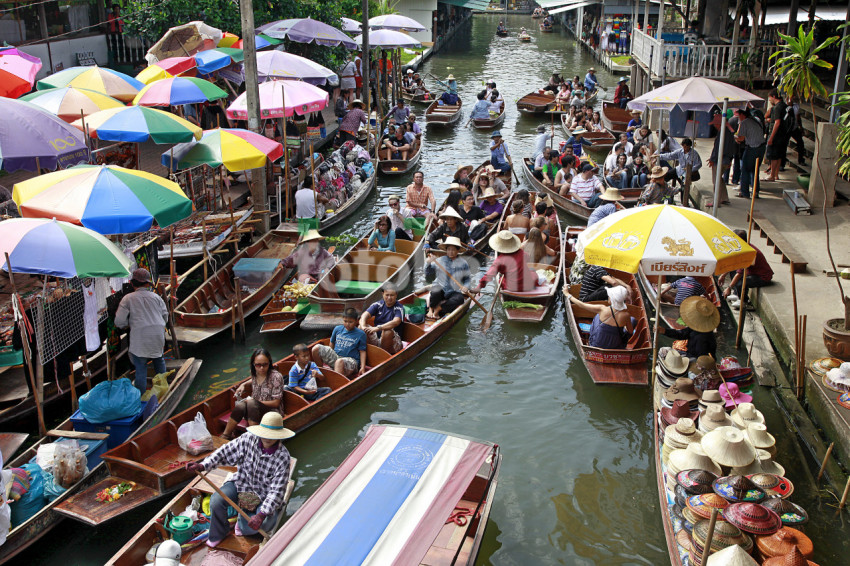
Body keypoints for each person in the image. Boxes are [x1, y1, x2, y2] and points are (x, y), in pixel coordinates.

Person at [185, 412, 293, 547]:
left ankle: (242, 525)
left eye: (272, 436)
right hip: (242, 483)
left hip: (263, 495)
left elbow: (276, 492)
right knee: (216, 501)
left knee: (265, 523)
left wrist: (261, 515)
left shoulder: (283, 457)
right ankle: (219, 532)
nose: (267, 438)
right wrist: (202, 465)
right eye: (265, 434)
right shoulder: (247, 439)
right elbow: (224, 452)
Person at [115, 268, 168, 394]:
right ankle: (164, 389)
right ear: (147, 284)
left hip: (139, 335)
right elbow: (165, 317)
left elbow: (119, 322)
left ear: (133, 283)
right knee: (159, 359)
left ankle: (141, 398)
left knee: (140, 367)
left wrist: (129, 324)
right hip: (157, 333)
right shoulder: (156, 297)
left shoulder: (128, 298)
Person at [219, 347, 284, 438]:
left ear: (269, 363)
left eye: (265, 365)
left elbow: (276, 403)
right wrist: (243, 384)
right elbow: (253, 380)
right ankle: (226, 435)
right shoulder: (255, 373)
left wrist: (253, 401)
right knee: (240, 406)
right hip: (252, 409)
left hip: (272, 412)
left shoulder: (276, 377)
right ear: (254, 364)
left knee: (252, 403)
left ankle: (254, 437)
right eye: (258, 365)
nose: (261, 368)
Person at [566, 286, 634, 349]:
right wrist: (623, 326)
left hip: (597, 344)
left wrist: (567, 294)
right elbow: (630, 331)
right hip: (615, 346)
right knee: (633, 320)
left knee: (598, 316)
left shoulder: (602, 309)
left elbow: (581, 305)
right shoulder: (626, 315)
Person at [720, 229, 773, 307]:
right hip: (751, 272)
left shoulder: (749, 253)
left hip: (762, 277)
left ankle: (743, 301)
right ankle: (737, 294)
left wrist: (729, 287)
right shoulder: (741, 248)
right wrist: (723, 275)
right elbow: (734, 264)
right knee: (733, 272)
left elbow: (740, 272)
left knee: (740, 282)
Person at [473, 231, 539, 293]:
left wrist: (479, 287)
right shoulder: (522, 253)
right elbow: (527, 258)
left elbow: (489, 275)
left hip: (511, 287)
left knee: (501, 280)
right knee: (533, 272)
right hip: (527, 284)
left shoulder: (499, 260)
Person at [311, 307, 367, 377]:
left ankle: (336, 382)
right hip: (337, 357)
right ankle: (320, 372)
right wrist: (330, 354)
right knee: (315, 348)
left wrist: (362, 367)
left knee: (339, 362)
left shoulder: (361, 334)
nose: (347, 324)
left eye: (350, 322)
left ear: (356, 321)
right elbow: (332, 343)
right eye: (345, 321)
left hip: (351, 361)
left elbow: (362, 351)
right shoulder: (337, 329)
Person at [658, 296, 719, 360]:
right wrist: (664, 331)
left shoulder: (706, 335)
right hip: (690, 355)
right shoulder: (696, 328)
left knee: (664, 352)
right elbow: (681, 334)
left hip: (695, 359)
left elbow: (708, 352)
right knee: (663, 350)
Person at [424, 236, 471, 318]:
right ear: (446, 250)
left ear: (458, 250)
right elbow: (428, 273)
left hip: (453, 291)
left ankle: (439, 309)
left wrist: (466, 287)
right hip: (440, 288)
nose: (450, 252)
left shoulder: (463, 263)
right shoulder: (440, 260)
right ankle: (431, 309)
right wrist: (428, 263)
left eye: (453, 250)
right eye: (449, 249)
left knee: (460, 298)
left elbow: (467, 279)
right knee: (435, 290)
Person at [360, 284, 404, 354]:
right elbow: (364, 315)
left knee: (387, 331)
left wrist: (378, 328)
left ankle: (383, 355)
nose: (389, 298)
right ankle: (368, 352)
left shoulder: (399, 307)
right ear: (383, 294)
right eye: (387, 295)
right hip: (378, 338)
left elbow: (396, 321)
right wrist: (363, 326)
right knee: (361, 327)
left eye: (392, 295)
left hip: (393, 343)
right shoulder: (377, 304)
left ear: (396, 295)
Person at [734, 107, 766, 200]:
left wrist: (734, 137)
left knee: (745, 170)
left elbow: (741, 138)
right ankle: (756, 191)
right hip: (762, 147)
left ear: (742, 114)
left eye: (738, 115)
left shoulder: (744, 123)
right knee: (755, 170)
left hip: (752, 148)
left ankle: (745, 192)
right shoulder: (756, 119)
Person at [708, 109, 736, 207]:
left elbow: (717, 148)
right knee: (720, 179)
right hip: (727, 159)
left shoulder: (722, 133)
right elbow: (732, 148)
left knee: (716, 180)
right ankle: (724, 198)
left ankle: (717, 201)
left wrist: (712, 159)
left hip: (720, 160)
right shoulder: (729, 133)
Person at [764, 89, 789, 183]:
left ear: (774, 97)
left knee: (773, 155)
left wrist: (771, 137)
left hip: (776, 135)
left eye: (770, 98)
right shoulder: (784, 106)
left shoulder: (777, 108)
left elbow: (777, 122)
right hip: (783, 135)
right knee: (779, 155)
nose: (769, 100)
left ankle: (772, 175)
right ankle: (776, 174)